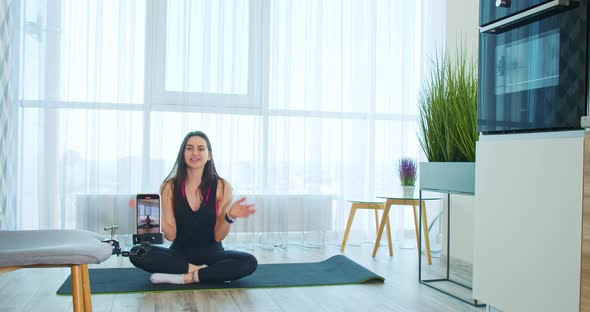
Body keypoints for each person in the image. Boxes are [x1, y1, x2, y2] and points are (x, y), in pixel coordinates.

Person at [129, 131, 257, 284]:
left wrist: (229, 216)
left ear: (209, 155)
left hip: (213, 254)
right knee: (137, 252)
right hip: (179, 254)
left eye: (201, 149)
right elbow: (171, 235)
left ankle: (182, 277)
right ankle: (202, 272)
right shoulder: (169, 186)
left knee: (249, 262)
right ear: (183, 153)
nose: (195, 153)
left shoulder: (222, 187)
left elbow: (219, 236)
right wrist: (155, 218)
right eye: (189, 148)